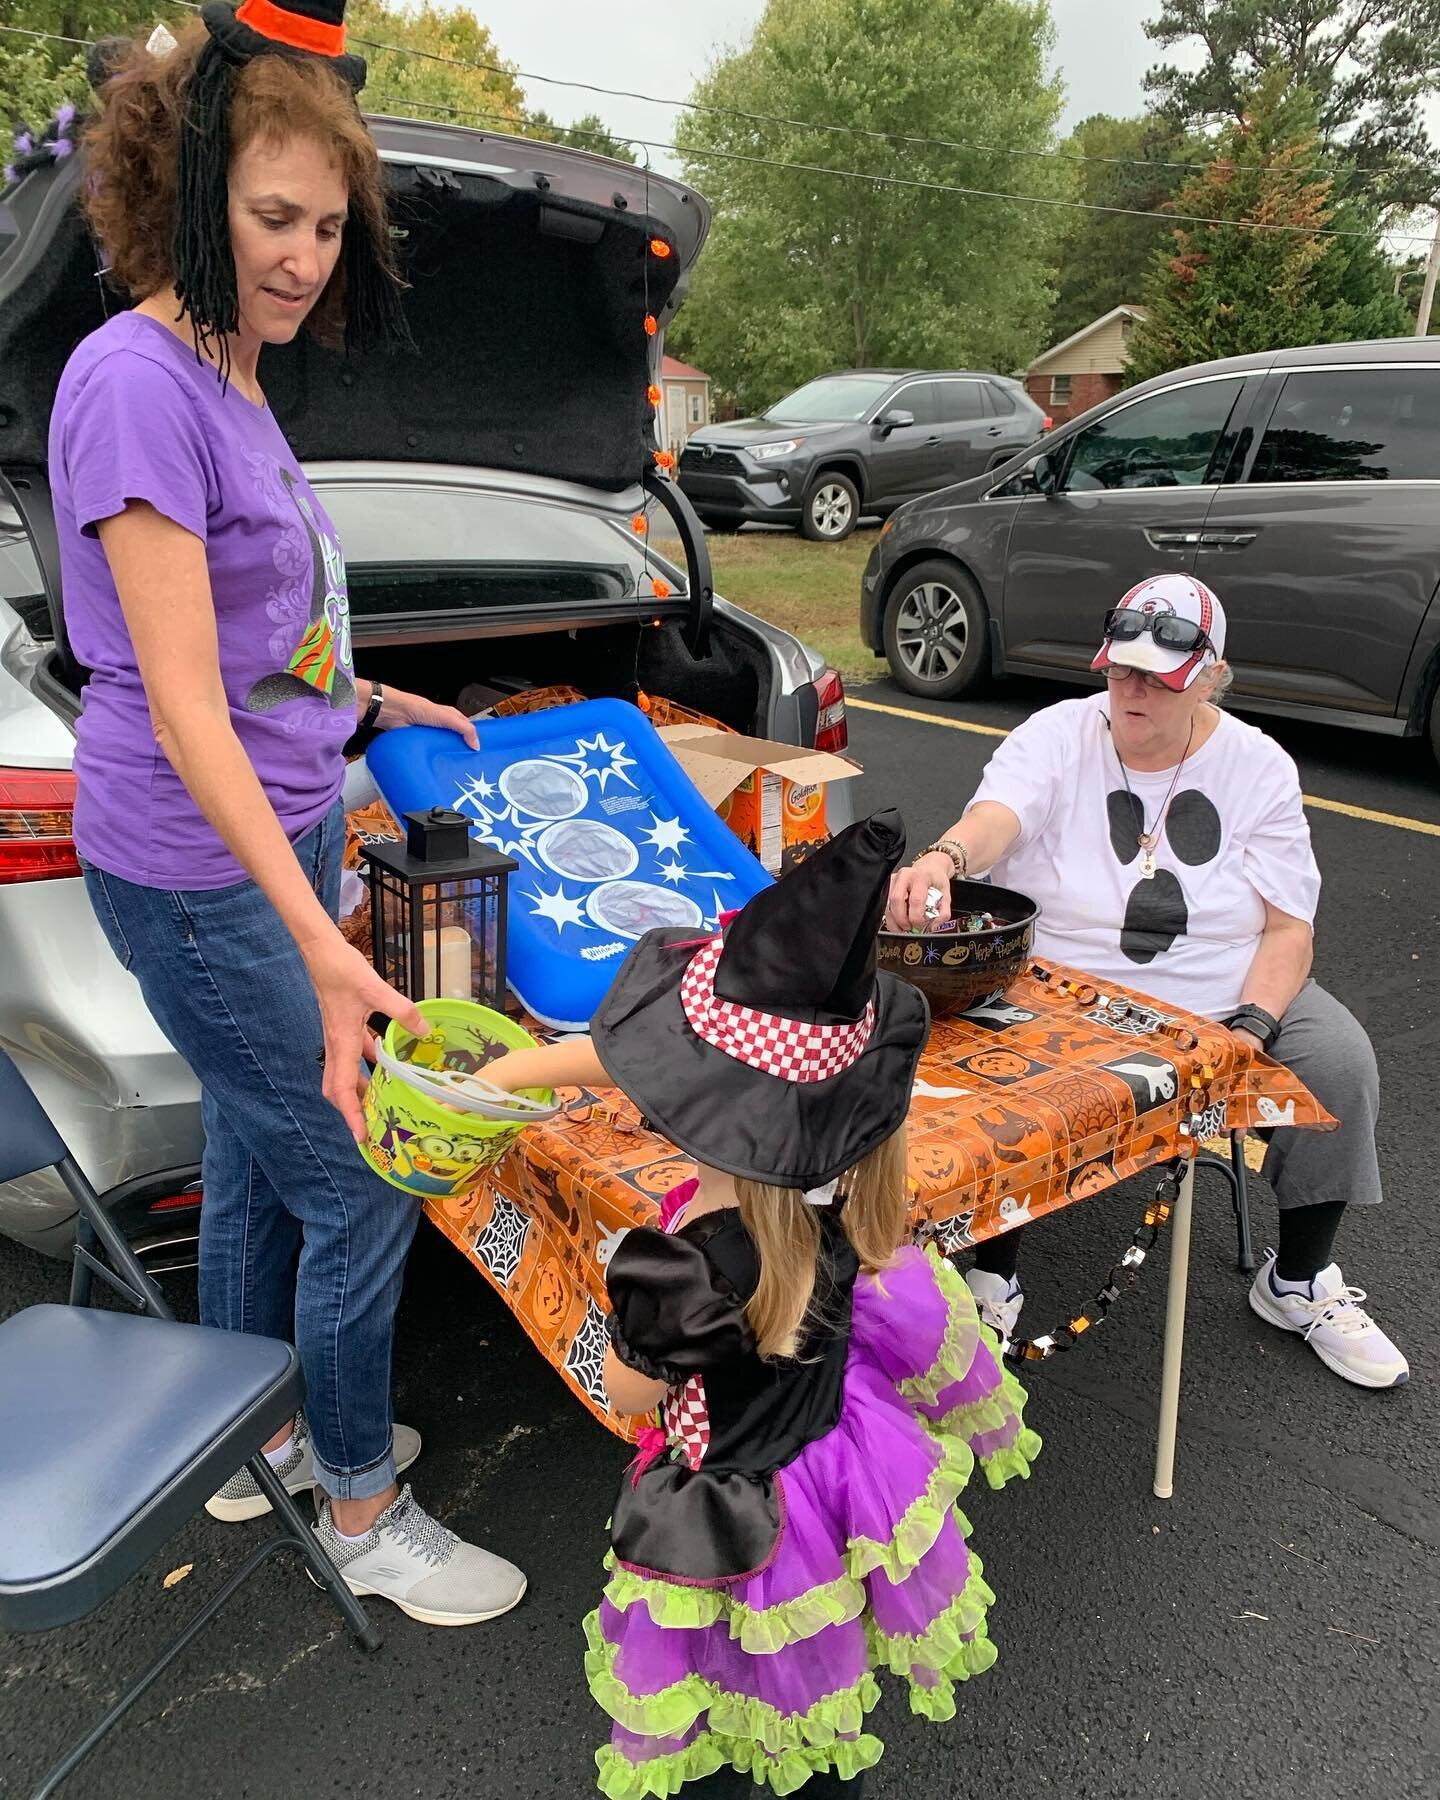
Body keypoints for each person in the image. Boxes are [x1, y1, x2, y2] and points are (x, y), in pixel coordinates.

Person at [51, 2, 526, 1621]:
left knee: (259, 1165)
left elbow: (260, 645)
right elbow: (182, 703)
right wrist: (321, 942)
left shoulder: (234, 381)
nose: (307, 254)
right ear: (189, 191)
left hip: (283, 821)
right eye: (274, 216)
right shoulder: (133, 384)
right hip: (200, 865)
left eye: (329, 225)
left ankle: (260, 1440)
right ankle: (358, 1504)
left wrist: (372, 703)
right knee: (358, 1171)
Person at [486, 811, 1041, 1796]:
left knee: (729, 1677)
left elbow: (624, 1396)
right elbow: (631, 1064)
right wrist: (514, 1073)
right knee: (815, 1673)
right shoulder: (847, 1199)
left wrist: (613, 1307)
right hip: (832, 1469)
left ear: (702, 1101)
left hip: (734, 1514)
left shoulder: (681, 1268)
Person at [886, 574, 1407, 1390]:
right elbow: (999, 815)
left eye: (1156, 677)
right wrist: (947, 857)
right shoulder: (1059, 734)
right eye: (1119, 669)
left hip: (1222, 988)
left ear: (1209, 677)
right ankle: (992, 1274)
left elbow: (1288, 928)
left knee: (1341, 1059)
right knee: (1003, 1079)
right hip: (1062, 984)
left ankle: (1299, 1282)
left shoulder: (1258, 765)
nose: (1129, 690)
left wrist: (1253, 1028)